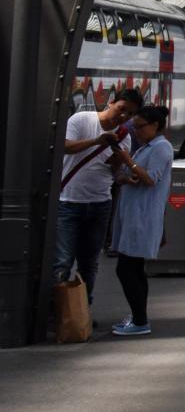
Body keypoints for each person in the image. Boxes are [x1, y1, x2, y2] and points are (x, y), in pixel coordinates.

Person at [55, 86, 142, 317]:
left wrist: (120, 168)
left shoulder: (124, 136)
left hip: (100, 203)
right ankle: (57, 315)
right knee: (62, 262)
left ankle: (81, 314)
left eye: (129, 114)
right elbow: (64, 146)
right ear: (112, 102)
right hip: (68, 201)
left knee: (89, 264)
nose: (123, 116)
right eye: (122, 109)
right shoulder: (82, 119)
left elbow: (114, 174)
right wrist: (97, 141)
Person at [105, 106, 175, 338]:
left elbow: (150, 178)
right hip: (133, 214)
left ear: (155, 125)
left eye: (140, 126)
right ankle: (138, 317)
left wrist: (128, 160)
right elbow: (130, 176)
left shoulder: (161, 147)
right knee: (133, 268)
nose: (136, 131)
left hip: (143, 217)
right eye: (134, 127)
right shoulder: (146, 147)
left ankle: (140, 319)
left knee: (126, 269)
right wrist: (120, 168)